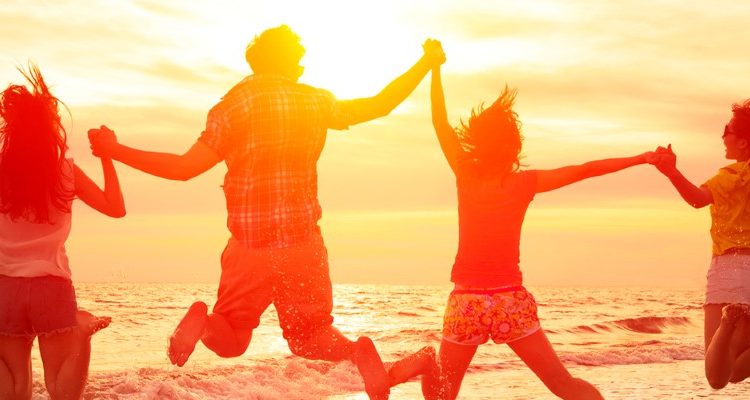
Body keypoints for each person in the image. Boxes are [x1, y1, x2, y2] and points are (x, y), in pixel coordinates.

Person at [88, 25, 444, 399]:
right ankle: (357, 352)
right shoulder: (315, 101)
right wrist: (425, 62)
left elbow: (183, 168)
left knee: (232, 338)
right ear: (292, 64)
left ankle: (205, 323)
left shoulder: (232, 106)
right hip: (302, 246)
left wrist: (116, 149)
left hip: (249, 250)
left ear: (256, 62)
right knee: (310, 337)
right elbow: (380, 104)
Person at [420, 46, 657, 400]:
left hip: (467, 300)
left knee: (441, 395)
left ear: (477, 142)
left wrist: (434, 69)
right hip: (509, 300)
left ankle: (420, 362)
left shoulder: (465, 174)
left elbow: (439, 121)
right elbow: (586, 169)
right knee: (564, 386)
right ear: (513, 146)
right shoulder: (524, 183)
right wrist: (641, 158)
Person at [0, 65, 122, 399]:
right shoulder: (65, 171)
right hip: (50, 286)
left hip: (6, 286)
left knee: (13, 387)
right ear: (49, 128)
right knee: (59, 388)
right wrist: (107, 157)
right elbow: (115, 207)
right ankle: (81, 334)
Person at [649, 100, 750, 389]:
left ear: (743, 142)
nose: (723, 136)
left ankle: (728, 320)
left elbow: (697, 198)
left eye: (727, 129)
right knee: (733, 371)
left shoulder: (729, 178)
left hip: (730, 267)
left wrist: (671, 172)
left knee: (717, 377)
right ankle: (730, 321)